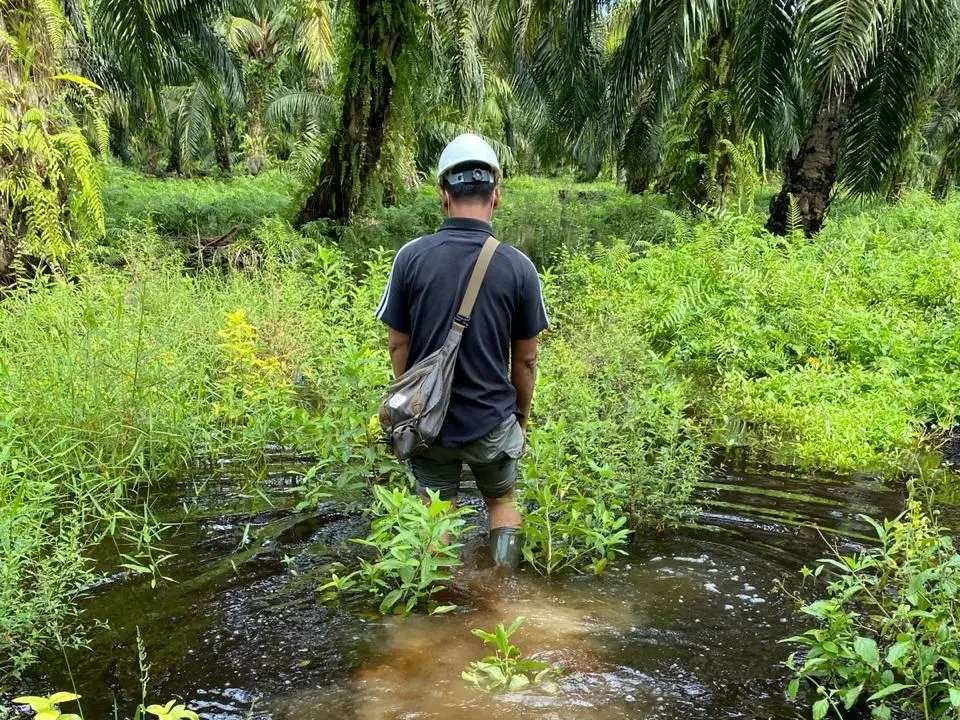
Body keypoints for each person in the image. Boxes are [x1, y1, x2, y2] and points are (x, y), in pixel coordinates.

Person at [375, 133, 549, 570]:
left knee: (438, 512)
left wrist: (416, 402)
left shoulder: (410, 258)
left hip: (429, 427)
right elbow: (525, 361)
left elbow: (399, 343)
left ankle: (438, 602)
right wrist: (520, 421)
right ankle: (504, 592)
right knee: (501, 500)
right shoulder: (518, 267)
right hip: (492, 421)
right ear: (496, 197)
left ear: (443, 196)